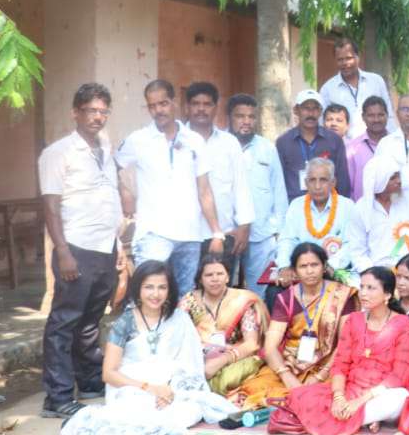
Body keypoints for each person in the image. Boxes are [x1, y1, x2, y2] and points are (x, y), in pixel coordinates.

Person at [61, 261, 239, 435]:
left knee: (189, 411)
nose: (156, 294)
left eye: (162, 287)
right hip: (133, 388)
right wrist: (150, 388)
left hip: (173, 387)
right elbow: (109, 374)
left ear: (170, 290)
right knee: (135, 410)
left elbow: (190, 365)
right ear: (138, 289)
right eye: (149, 287)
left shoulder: (180, 319)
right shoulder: (124, 323)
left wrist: (169, 389)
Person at [39, 83, 124, 419]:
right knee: (64, 321)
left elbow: (111, 198)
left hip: (105, 246)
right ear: (76, 112)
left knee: (90, 320)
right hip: (76, 246)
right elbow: (50, 206)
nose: (97, 117)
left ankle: (89, 381)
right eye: (91, 110)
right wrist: (62, 251)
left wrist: (119, 245)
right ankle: (57, 397)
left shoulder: (105, 148)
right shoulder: (58, 152)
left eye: (103, 111)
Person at [116, 79, 225, 297]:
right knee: (148, 294)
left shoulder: (194, 140)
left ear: (174, 102)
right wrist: (126, 194)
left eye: (163, 103)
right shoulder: (137, 140)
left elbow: (204, 190)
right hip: (153, 234)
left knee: (185, 298)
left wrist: (216, 232)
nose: (158, 110)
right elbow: (115, 169)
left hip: (190, 235)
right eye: (152, 106)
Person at [281, 266, 409, 435]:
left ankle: (351, 416)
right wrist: (339, 398)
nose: (363, 293)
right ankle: (364, 418)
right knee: (301, 394)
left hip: (383, 392)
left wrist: (359, 402)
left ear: (387, 295)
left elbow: (398, 376)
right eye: (362, 287)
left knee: (399, 398)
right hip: (351, 389)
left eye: (371, 288)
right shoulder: (354, 320)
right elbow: (341, 364)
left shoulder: (403, 324)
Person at [234, 243, 357, 410]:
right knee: (255, 388)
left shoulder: (341, 295)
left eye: (314, 265)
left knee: (331, 394)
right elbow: (270, 346)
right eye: (303, 266)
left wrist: (319, 377)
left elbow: (345, 343)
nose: (309, 271)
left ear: (324, 267)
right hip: (292, 363)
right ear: (294, 271)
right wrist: (287, 376)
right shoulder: (287, 298)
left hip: (329, 364)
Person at [183, 82, 254, 279]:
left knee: (222, 291)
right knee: (186, 293)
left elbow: (240, 186)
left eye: (207, 104)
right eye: (195, 103)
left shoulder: (229, 143)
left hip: (224, 234)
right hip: (184, 236)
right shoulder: (177, 141)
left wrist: (244, 225)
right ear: (186, 107)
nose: (201, 109)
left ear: (215, 108)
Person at [178, 254, 268, 401]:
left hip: (234, 359)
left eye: (220, 274)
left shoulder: (241, 300)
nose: (215, 279)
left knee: (229, 379)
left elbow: (252, 344)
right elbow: (178, 337)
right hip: (198, 358)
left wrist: (222, 360)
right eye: (209, 275)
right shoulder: (189, 300)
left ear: (227, 277)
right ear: (200, 279)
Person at [227, 94, 289, 298]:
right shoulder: (221, 146)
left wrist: (279, 232)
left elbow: (278, 191)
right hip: (228, 233)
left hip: (262, 235)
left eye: (251, 117)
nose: (246, 121)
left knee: (260, 292)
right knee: (224, 288)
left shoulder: (267, 148)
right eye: (240, 116)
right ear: (229, 117)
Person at [273, 158, 357, 285]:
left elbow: (351, 244)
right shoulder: (296, 205)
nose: (317, 186)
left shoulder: (347, 206)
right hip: (303, 271)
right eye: (312, 180)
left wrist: (330, 266)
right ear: (306, 183)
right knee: (273, 291)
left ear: (333, 183)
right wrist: (284, 266)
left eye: (323, 180)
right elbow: (287, 240)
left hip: (333, 271)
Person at [345, 158, 409, 272]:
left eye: (399, 176)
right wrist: (373, 274)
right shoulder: (361, 209)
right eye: (393, 178)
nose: (399, 181)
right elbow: (357, 252)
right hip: (375, 272)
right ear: (379, 182)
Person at [276, 88, 351, 201]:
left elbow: (342, 179)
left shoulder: (334, 140)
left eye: (315, 108)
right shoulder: (284, 142)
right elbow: (278, 181)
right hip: (294, 205)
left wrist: (341, 206)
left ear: (320, 111)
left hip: (328, 206)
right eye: (306, 108)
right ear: (296, 110)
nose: (311, 113)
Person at [319, 36, 393, 139]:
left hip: (377, 143)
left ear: (358, 57)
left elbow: (389, 115)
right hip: (344, 147)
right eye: (340, 59)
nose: (345, 63)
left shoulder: (376, 81)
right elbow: (322, 123)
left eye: (349, 58)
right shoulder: (327, 89)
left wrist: (391, 140)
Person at [345, 96, 391, 202]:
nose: (376, 120)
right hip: (362, 208)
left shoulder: (397, 144)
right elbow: (348, 187)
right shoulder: (352, 148)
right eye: (371, 115)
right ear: (363, 117)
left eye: (380, 115)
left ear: (387, 115)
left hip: (393, 208)